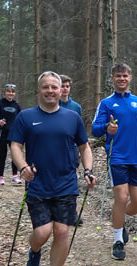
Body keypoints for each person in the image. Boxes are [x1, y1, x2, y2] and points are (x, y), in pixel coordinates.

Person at [9, 71, 97, 266]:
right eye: (45, 87)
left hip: (66, 183)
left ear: (61, 90)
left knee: (61, 231)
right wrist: (23, 167)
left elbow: (85, 147)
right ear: (39, 90)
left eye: (54, 87)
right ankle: (34, 251)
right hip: (37, 182)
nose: (50, 91)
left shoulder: (72, 117)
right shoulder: (26, 117)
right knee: (42, 232)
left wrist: (88, 171)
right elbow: (16, 146)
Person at [92, 63, 137, 260]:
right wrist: (107, 127)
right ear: (112, 79)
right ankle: (117, 241)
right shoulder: (106, 103)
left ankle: (119, 218)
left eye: (125, 75)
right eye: (118, 76)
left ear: (130, 78)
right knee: (121, 197)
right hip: (116, 157)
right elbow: (95, 129)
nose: (121, 79)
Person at [59, 74, 85, 226]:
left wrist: (81, 151)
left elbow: (79, 130)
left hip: (72, 148)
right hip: (55, 149)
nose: (65, 89)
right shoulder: (52, 105)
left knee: (72, 180)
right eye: (62, 86)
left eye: (67, 86)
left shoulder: (76, 107)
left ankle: (72, 212)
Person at [0, 84, 22, 185]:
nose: (10, 93)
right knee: (3, 155)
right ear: (5, 92)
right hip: (1, 133)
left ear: (14, 93)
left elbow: (20, 118)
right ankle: (1, 177)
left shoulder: (16, 105)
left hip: (13, 134)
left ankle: (15, 176)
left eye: (12, 92)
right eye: (9, 91)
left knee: (14, 155)